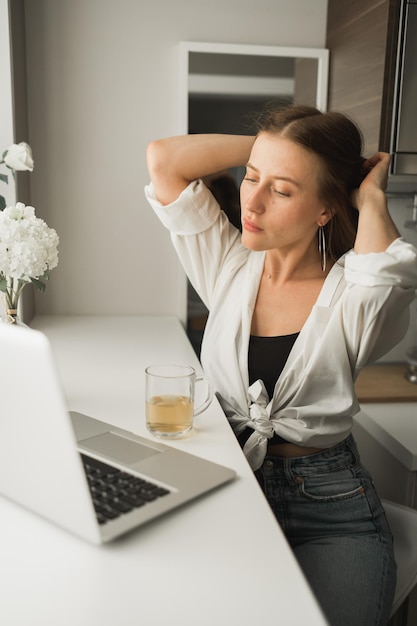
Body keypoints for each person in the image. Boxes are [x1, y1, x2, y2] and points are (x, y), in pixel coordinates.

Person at [145, 105, 417, 626]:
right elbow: (164, 161)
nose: (253, 200)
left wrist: (372, 194)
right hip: (230, 489)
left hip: (333, 510)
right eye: (251, 178)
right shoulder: (227, 267)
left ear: (325, 210)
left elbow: (385, 268)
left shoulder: (351, 293)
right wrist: (273, 152)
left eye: (283, 190)